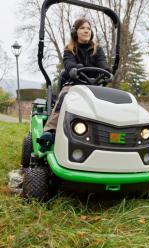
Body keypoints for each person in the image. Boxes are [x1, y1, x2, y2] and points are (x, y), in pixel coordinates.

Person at [39, 18, 110, 150]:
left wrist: (107, 72)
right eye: (83, 28)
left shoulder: (97, 49)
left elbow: (103, 64)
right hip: (74, 85)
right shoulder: (69, 49)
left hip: (93, 87)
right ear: (75, 32)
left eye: (88, 28)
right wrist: (73, 69)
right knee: (65, 94)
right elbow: (68, 63)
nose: (86, 31)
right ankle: (50, 131)